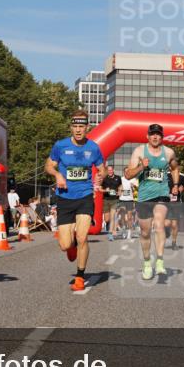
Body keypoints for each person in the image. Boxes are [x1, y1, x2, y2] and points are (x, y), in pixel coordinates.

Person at [46, 111, 106, 291]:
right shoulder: (60, 146)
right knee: (65, 244)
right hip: (64, 197)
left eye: (82, 126)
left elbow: (102, 169)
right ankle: (71, 246)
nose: (78, 130)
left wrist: (100, 178)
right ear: (71, 127)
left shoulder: (93, 148)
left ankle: (80, 276)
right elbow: (48, 165)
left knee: (82, 237)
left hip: (85, 196)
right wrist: (57, 175)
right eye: (75, 126)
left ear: (87, 127)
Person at [125, 123, 180, 280]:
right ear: (147, 136)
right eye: (153, 134)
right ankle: (147, 262)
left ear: (162, 137)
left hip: (162, 194)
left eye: (158, 134)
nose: (155, 137)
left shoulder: (168, 152)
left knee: (159, 223)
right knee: (145, 232)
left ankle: (160, 261)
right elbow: (129, 174)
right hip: (144, 196)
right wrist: (142, 166)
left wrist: (175, 185)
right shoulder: (139, 151)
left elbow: (175, 168)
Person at [166, 170, 184, 251]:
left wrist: (183, 188)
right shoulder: (166, 174)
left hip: (177, 202)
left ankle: (174, 243)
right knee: (167, 223)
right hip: (166, 202)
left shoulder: (182, 176)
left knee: (174, 225)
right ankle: (167, 231)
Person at [100, 165, 122, 241]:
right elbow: (100, 189)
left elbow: (121, 186)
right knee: (107, 219)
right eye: (108, 170)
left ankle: (110, 233)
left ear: (113, 170)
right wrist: (105, 190)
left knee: (112, 216)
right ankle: (108, 225)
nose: (110, 171)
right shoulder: (104, 179)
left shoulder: (118, 178)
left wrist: (119, 192)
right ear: (107, 171)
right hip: (106, 199)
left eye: (111, 170)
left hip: (115, 199)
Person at [117, 174, 137, 239]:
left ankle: (129, 232)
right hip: (122, 200)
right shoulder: (121, 179)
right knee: (122, 217)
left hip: (130, 200)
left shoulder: (133, 179)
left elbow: (137, 189)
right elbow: (117, 188)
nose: (127, 173)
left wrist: (133, 187)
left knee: (129, 218)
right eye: (125, 172)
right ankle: (123, 230)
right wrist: (119, 189)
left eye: (128, 172)